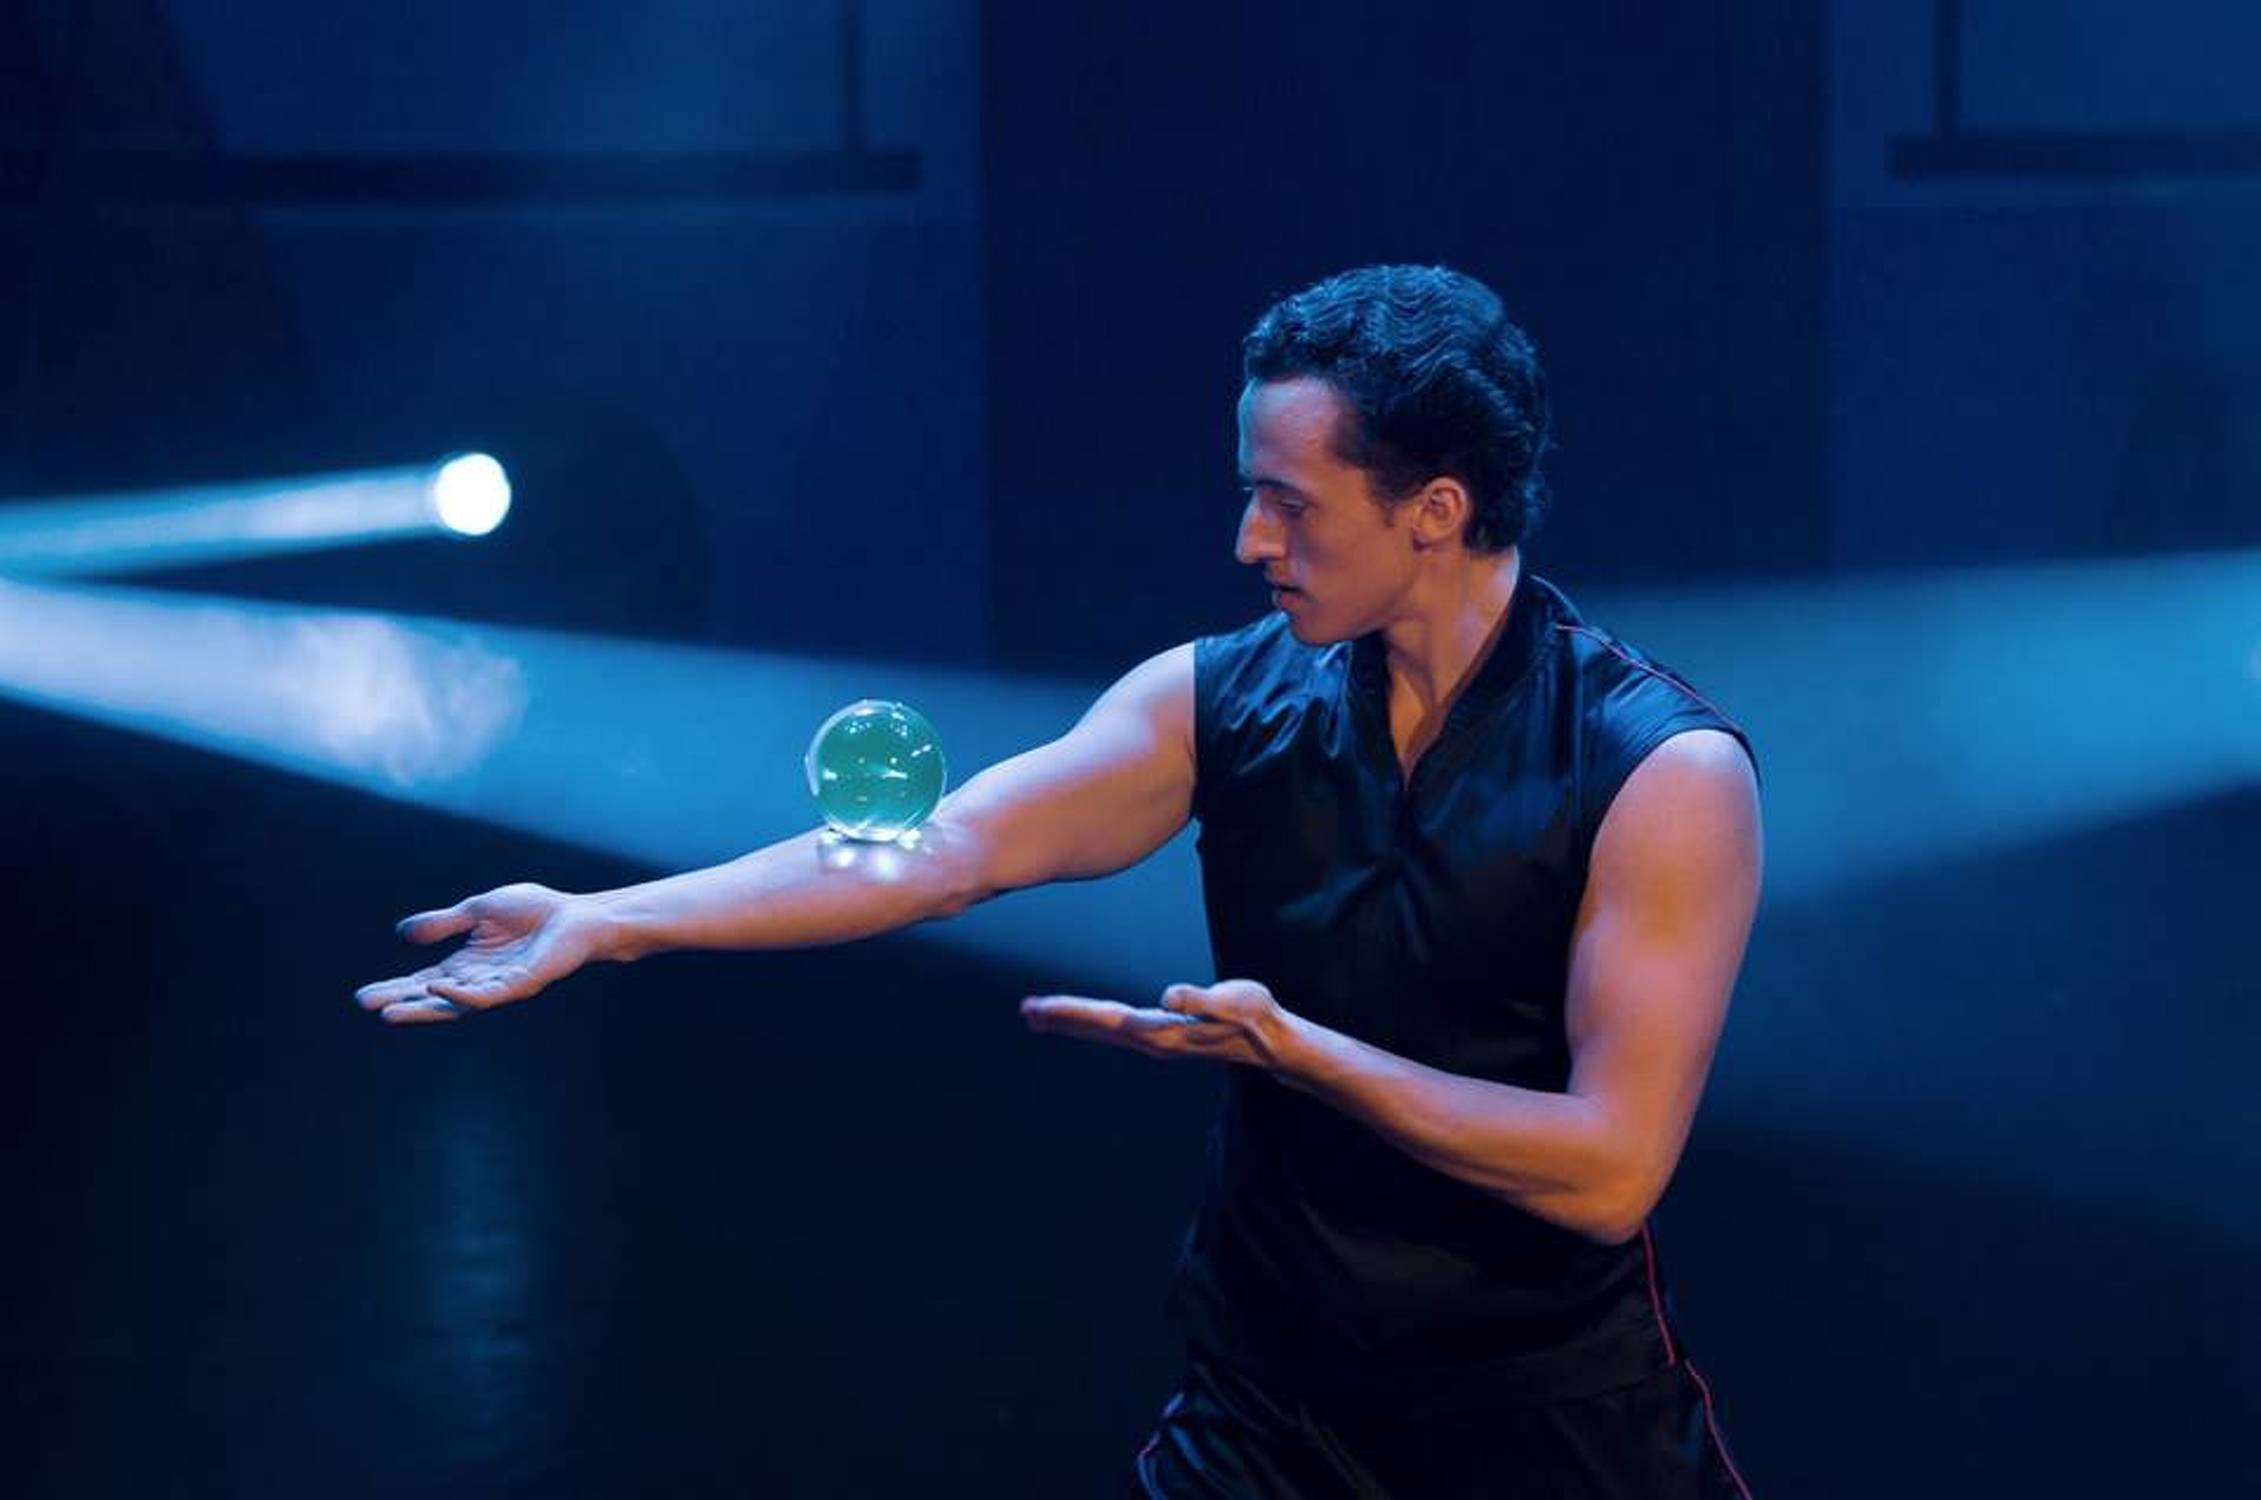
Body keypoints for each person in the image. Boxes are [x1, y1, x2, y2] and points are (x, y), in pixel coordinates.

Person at [356, 265, 1763, 1499]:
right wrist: (607, 923)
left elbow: (1607, 1170)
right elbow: (942, 851)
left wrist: (1299, 1053)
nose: (1248, 541)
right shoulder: (1216, 699)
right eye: (1248, 495)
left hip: (1544, 1428)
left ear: (1435, 509)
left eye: (1288, 503)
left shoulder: (1658, 770)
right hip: (1266, 1411)